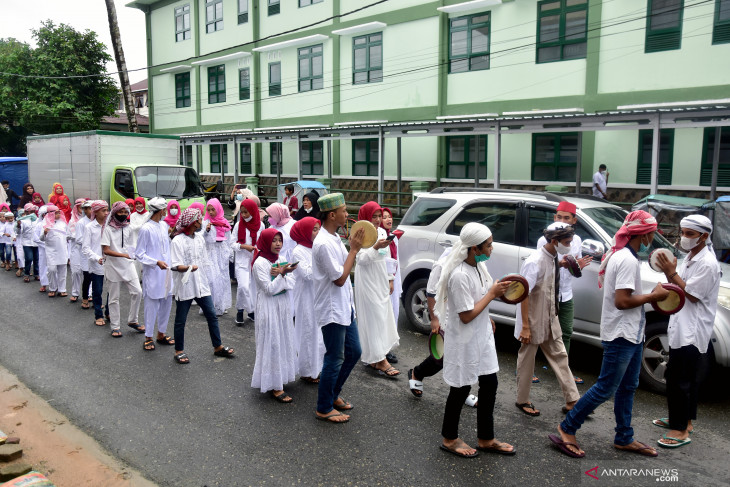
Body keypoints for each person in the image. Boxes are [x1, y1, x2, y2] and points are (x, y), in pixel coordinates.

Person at [553, 210, 668, 459]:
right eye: (652, 233)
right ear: (644, 234)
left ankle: (624, 437)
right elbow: (623, 301)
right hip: (621, 333)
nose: (653, 238)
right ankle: (567, 427)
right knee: (607, 387)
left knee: (628, 386)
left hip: (632, 332)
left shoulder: (625, 255)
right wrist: (654, 297)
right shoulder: (625, 259)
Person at [434, 222, 514, 458]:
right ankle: (449, 438)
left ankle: (486, 438)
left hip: (482, 337)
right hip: (465, 340)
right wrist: (491, 294)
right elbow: (466, 315)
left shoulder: (479, 267)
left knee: (490, 384)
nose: (492, 248)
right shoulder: (459, 275)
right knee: (461, 388)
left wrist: (487, 317)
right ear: (474, 248)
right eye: (488, 245)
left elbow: (478, 301)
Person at [653, 215, 720, 448]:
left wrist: (671, 272)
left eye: (690, 234)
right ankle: (682, 420)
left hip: (692, 329)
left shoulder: (708, 263)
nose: (684, 238)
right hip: (682, 324)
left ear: (704, 236)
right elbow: (680, 285)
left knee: (681, 379)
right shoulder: (693, 256)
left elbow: (691, 293)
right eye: (682, 232)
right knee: (680, 376)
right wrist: (668, 273)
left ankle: (680, 429)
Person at [515, 222, 581, 417]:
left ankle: (573, 399)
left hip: (551, 315)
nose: (569, 246)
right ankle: (522, 399)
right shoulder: (534, 261)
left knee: (560, 354)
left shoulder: (554, 257)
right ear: (554, 241)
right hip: (533, 317)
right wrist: (526, 326)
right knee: (527, 359)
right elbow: (522, 294)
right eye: (567, 242)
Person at [313, 193, 364, 423]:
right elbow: (340, 279)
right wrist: (353, 249)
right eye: (344, 211)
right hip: (332, 309)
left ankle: (333, 394)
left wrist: (360, 247)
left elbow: (347, 264)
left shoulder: (333, 237)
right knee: (334, 356)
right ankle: (323, 407)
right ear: (332, 215)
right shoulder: (323, 243)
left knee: (354, 351)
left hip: (344, 306)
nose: (347, 214)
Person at [170, 207, 236, 364]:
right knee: (181, 319)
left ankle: (218, 346)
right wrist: (188, 267)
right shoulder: (177, 240)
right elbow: (174, 265)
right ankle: (179, 350)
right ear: (193, 222)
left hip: (201, 284)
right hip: (186, 284)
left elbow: (205, 261)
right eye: (199, 219)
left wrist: (209, 277)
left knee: (211, 315)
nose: (201, 221)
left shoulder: (199, 238)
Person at [536, 201, 593, 384]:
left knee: (565, 332)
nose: (562, 221)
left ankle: (563, 371)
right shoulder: (543, 240)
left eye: (566, 218)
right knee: (538, 331)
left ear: (574, 220)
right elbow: (540, 269)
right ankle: (524, 369)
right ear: (554, 218)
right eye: (559, 217)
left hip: (565, 293)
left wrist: (577, 266)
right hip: (547, 293)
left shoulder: (576, 241)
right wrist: (559, 264)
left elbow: (573, 269)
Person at [251, 228, 298, 402]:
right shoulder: (259, 264)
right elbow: (269, 290)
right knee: (272, 342)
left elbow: (292, 283)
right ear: (265, 242)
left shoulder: (283, 259)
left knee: (284, 339)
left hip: (283, 305)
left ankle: (282, 378)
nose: (278, 244)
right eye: (274, 241)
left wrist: (282, 275)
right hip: (269, 307)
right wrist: (282, 276)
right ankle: (274, 385)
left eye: (280, 240)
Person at [355, 201, 400, 377]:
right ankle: (380, 360)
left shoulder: (382, 232)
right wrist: (375, 247)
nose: (377, 219)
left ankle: (377, 357)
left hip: (380, 277)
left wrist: (390, 279)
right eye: (373, 216)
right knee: (372, 317)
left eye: (379, 216)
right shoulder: (359, 234)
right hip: (367, 279)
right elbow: (361, 260)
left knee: (382, 316)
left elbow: (387, 258)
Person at [135, 197, 176, 351]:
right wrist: (155, 262)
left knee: (166, 303)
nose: (166, 211)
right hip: (153, 273)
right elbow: (139, 254)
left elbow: (166, 246)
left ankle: (161, 333)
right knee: (151, 305)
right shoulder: (146, 229)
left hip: (166, 272)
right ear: (160, 211)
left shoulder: (164, 225)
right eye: (164, 209)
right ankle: (148, 336)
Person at [290, 217, 325, 383]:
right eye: (314, 229)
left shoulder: (317, 247)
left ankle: (319, 367)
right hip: (305, 296)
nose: (318, 233)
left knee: (320, 332)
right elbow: (307, 274)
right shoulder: (297, 251)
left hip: (319, 295)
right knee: (307, 331)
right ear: (305, 231)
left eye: (319, 228)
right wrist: (322, 263)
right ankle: (307, 370)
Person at [102, 202, 143, 338]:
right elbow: (106, 250)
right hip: (112, 266)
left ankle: (133, 320)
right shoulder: (108, 229)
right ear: (114, 213)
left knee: (137, 292)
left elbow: (131, 246)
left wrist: (133, 254)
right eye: (121, 212)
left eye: (126, 212)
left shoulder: (129, 228)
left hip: (127, 264)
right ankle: (115, 327)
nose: (124, 215)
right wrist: (123, 255)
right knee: (114, 298)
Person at [231, 199, 264, 325]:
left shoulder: (261, 225)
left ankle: (251, 312)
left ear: (253, 211)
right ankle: (240, 310)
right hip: (242, 261)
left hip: (255, 261)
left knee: (253, 288)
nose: (244, 215)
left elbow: (262, 242)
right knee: (243, 287)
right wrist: (244, 246)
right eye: (242, 212)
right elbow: (232, 243)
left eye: (247, 212)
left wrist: (258, 249)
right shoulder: (238, 225)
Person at [201, 198, 233, 316]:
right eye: (208, 210)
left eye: (213, 209)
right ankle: (210, 306)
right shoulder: (205, 222)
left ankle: (221, 305)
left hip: (221, 253)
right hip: (211, 253)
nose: (210, 212)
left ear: (218, 209)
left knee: (222, 279)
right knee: (211, 279)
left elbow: (228, 240)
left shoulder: (224, 222)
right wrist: (207, 230)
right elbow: (202, 239)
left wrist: (229, 255)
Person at [82, 201, 110, 327]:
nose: (106, 213)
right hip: (96, 263)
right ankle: (98, 314)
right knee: (97, 291)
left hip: (110, 262)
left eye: (107, 210)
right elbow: (86, 248)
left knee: (112, 290)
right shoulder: (89, 227)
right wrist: (97, 257)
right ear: (96, 212)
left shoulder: (110, 226)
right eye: (103, 211)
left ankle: (109, 312)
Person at [381, 207, 401, 364]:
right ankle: (383, 351)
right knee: (386, 315)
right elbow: (385, 262)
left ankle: (388, 348)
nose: (388, 220)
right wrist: (391, 279)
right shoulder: (382, 239)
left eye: (390, 216)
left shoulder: (392, 237)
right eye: (384, 217)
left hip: (395, 278)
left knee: (394, 313)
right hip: (387, 281)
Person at [40, 205, 69, 298]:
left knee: (62, 271)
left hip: (62, 250)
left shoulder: (63, 223)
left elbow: (68, 236)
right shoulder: (45, 223)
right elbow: (41, 239)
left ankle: (62, 289)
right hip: (51, 251)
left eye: (59, 212)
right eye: (56, 213)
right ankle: (52, 288)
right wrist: (45, 232)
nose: (58, 215)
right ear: (51, 214)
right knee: (52, 270)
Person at [75, 201, 94, 309]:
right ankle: (85, 298)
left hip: (96, 253)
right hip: (86, 254)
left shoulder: (97, 221)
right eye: (89, 209)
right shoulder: (81, 223)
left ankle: (95, 299)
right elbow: (78, 239)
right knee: (87, 277)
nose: (91, 211)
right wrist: (90, 242)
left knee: (96, 277)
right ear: (85, 210)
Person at [67, 199, 86, 303]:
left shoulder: (90, 220)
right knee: (75, 271)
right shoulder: (72, 221)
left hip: (87, 249)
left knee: (88, 272)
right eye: (80, 207)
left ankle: (89, 293)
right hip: (75, 249)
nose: (82, 210)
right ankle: (75, 293)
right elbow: (68, 235)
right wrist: (76, 236)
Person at [18, 203, 39, 283]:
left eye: (33, 211)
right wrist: (18, 226)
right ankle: (26, 273)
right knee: (29, 258)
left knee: (36, 258)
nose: (31, 213)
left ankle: (36, 273)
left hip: (36, 242)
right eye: (29, 211)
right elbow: (19, 232)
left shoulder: (37, 220)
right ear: (26, 212)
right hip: (26, 242)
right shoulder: (23, 220)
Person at [32, 206, 50, 293]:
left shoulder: (55, 223)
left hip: (54, 250)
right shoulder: (39, 225)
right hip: (43, 250)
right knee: (43, 266)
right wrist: (45, 245)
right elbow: (36, 238)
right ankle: (44, 284)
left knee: (55, 267)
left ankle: (55, 285)